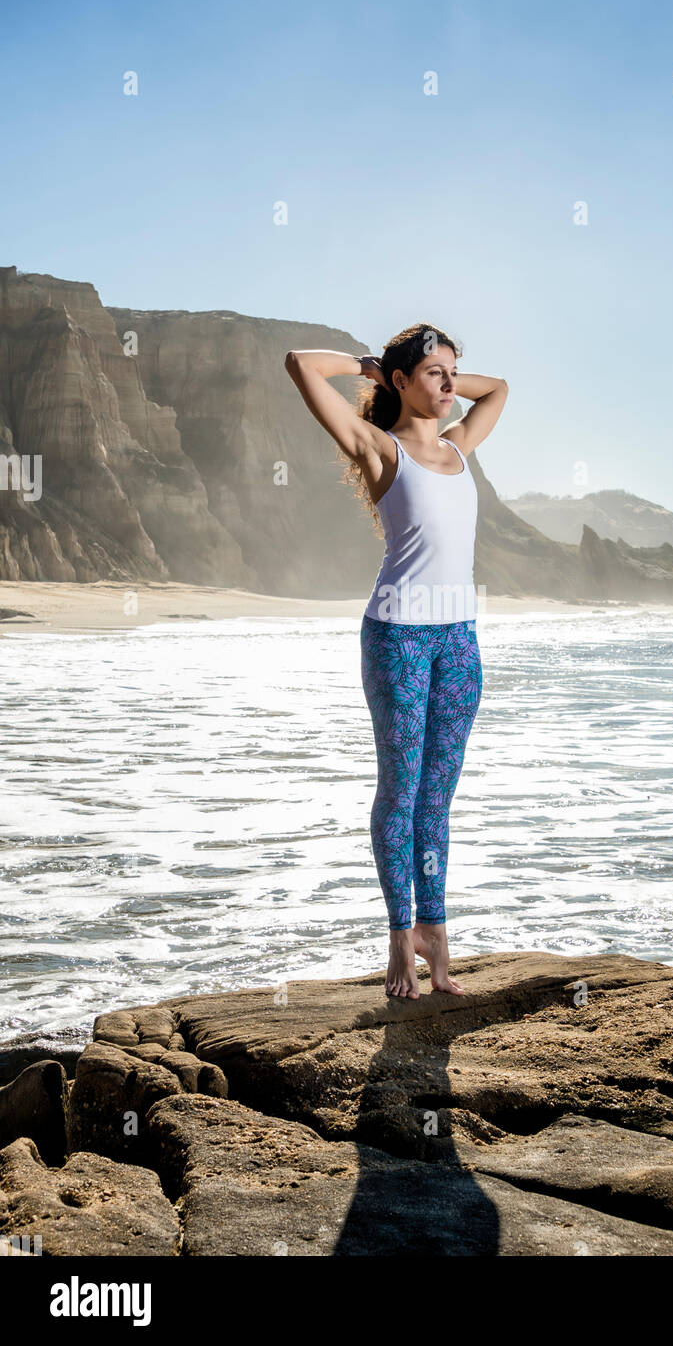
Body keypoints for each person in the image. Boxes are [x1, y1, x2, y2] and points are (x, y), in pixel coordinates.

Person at [284, 323, 508, 998]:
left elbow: (497, 389)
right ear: (401, 381)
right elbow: (300, 364)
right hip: (398, 639)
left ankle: (435, 933)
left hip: (459, 641)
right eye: (435, 374)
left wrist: (437, 375)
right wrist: (376, 370)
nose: (450, 385)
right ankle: (398, 938)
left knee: (437, 799)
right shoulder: (379, 448)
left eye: (453, 372)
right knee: (401, 792)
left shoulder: (459, 445)